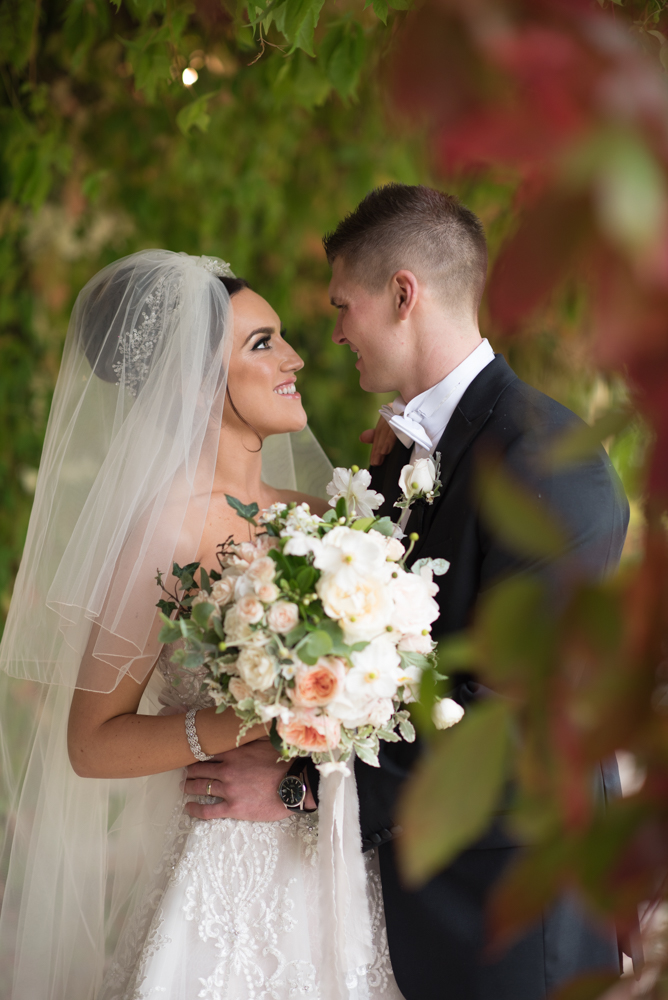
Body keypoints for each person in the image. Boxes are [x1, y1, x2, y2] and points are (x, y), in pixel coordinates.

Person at [194, 185, 630, 1000]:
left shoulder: (547, 464)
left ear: (403, 295)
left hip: (510, 925)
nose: (332, 333)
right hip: (412, 912)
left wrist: (298, 786)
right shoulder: (407, 456)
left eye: (341, 306)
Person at [0, 250, 405, 1000]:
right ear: (189, 385)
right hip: (226, 872)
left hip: (341, 868)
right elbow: (91, 743)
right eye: (263, 344)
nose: (295, 357)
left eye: (282, 337)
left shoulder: (324, 518)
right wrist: (243, 722)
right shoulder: (166, 534)